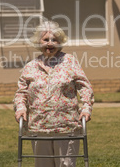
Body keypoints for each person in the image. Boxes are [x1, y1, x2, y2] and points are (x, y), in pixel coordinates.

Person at [14, 21, 94, 167]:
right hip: (39, 126)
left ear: (59, 42)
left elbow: (84, 86)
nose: (50, 43)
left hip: (66, 127)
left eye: (54, 40)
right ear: (39, 42)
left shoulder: (69, 61)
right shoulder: (30, 67)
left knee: (66, 165)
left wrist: (86, 107)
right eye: (46, 39)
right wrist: (20, 108)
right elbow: (21, 92)